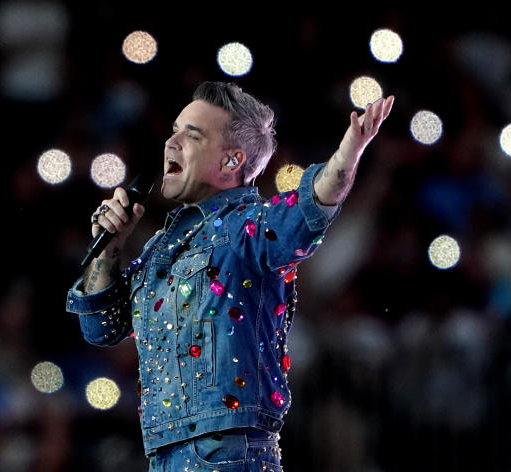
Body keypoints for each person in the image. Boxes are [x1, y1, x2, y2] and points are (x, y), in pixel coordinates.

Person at [66, 81, 394, 472]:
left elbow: (311, 207)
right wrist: (111, 246)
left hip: (228, 454)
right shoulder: (159, 248)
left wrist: (349, 153)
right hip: (164, 451)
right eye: (174, 130)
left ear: (230, 161)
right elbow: (100, 327)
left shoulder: (248, 229)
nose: (171, 142)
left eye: (192, 135)